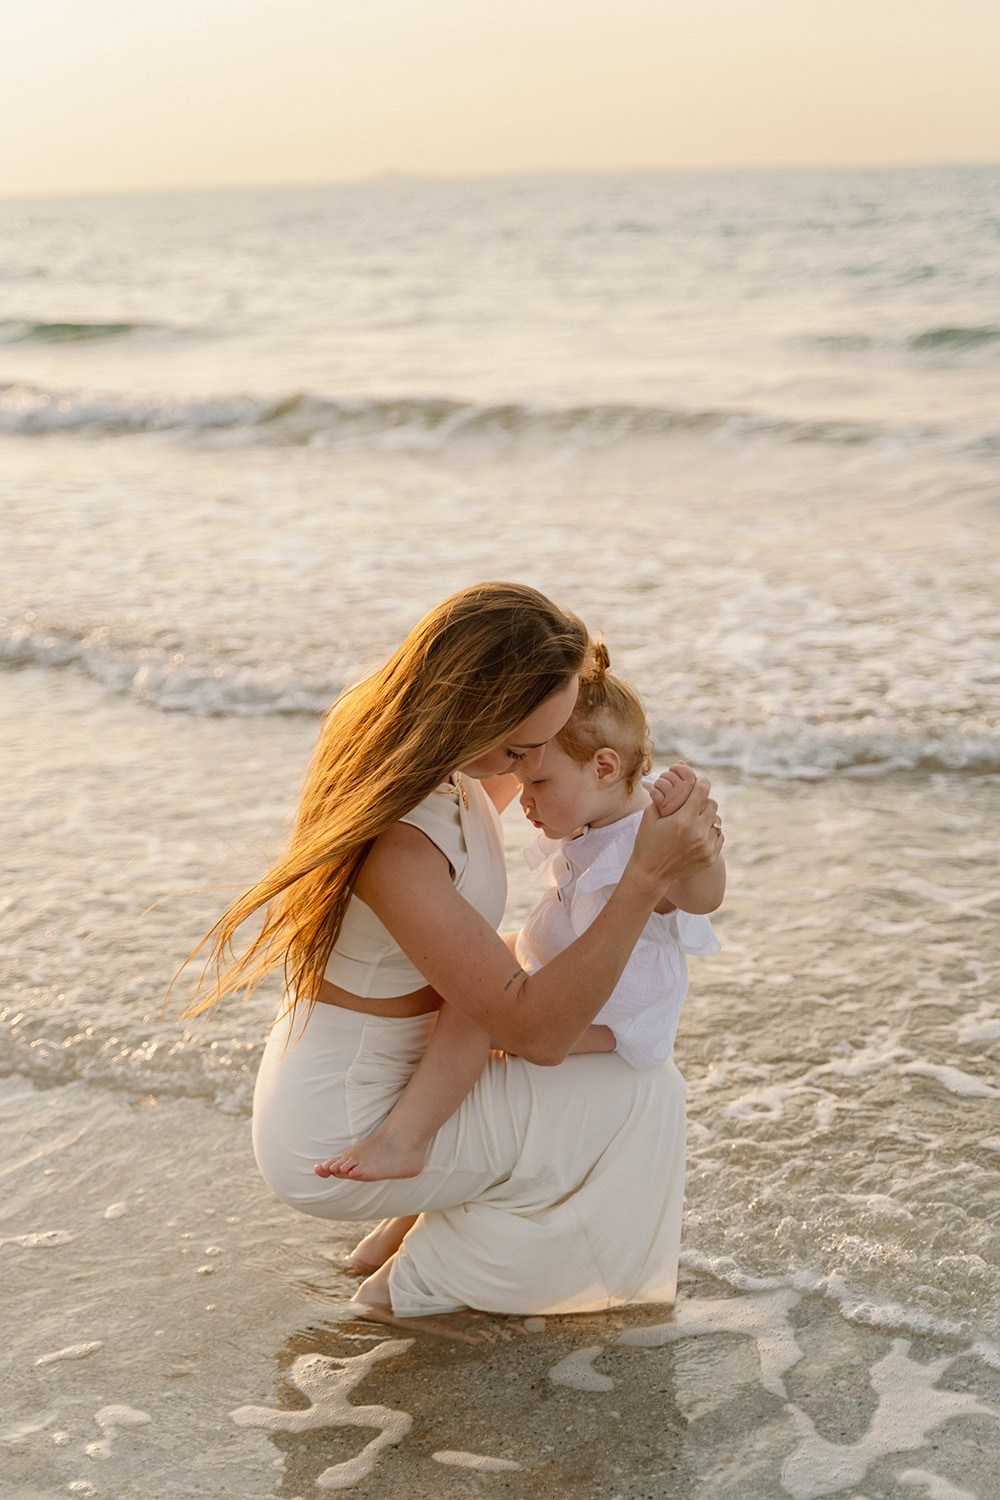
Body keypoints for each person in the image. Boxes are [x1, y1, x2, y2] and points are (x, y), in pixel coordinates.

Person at [186, 582, 724, 1334]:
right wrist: (644, 877)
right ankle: (422, 1285)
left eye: (541, 747)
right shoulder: (400, 843)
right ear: (474, 713)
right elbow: (538, 1033)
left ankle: (429, 1238)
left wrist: (657, 807)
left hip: (367, 1073)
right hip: (339, 1120)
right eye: (520, 748)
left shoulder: (432, 763)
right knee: (643, 1094)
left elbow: (582, 766)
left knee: (588, 1051)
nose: (528, 768)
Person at [314, 645, 724, 1187]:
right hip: (568, 967)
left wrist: (704, 851)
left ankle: (403, 1141)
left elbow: (703, 898)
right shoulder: (597, 808)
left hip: (618, 1013)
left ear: (604, 767)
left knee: (475, 1012)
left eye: (538, 782)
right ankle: (399, 1226)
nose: (524, 798)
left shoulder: (650, 831)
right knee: (488, 973)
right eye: (519, 769)